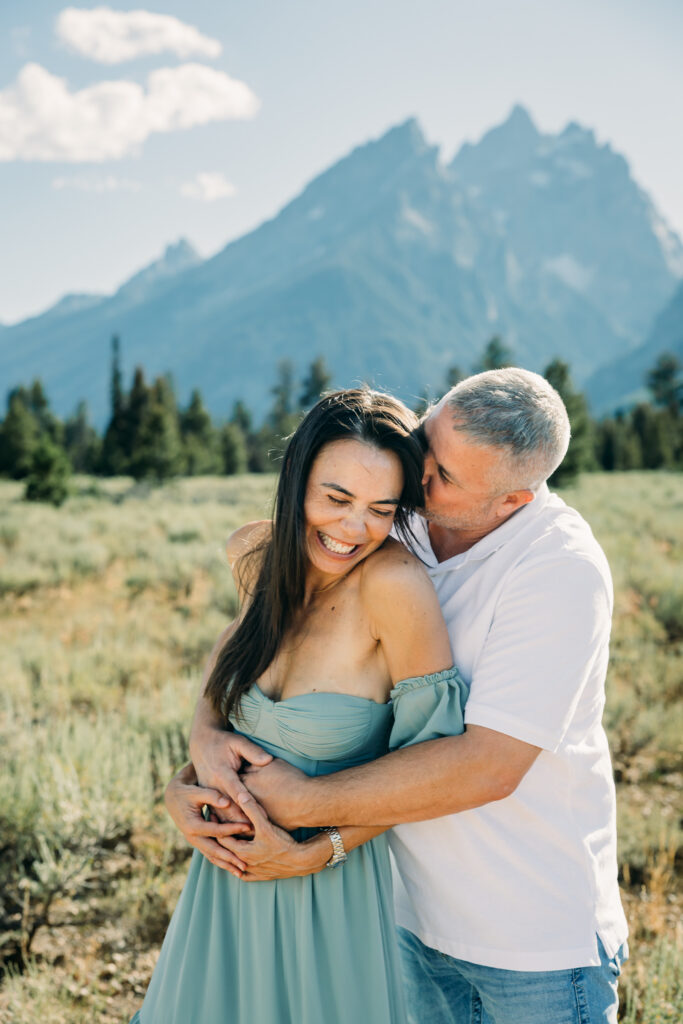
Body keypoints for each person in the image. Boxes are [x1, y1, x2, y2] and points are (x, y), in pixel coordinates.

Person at [168, 368, 629, 1024]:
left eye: (440, 475)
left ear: (511, 502)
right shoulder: (390, 519)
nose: (414, 478)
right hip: (401, 916)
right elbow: (257, 608)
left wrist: (306, 815)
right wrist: (203, 742)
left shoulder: (558, 572)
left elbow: (488, 766)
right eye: (422, 445)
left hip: (528, 942)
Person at [130, 388, 469, 1024]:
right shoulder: (257, 557)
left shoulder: (393, 588)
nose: (351, 529)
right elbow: (229, 660)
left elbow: (433, 767)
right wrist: (199, 748)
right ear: (295, 481)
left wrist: (322, 849)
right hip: (221, 890)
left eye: (380, 509)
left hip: (325, 898)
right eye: (336, 499)